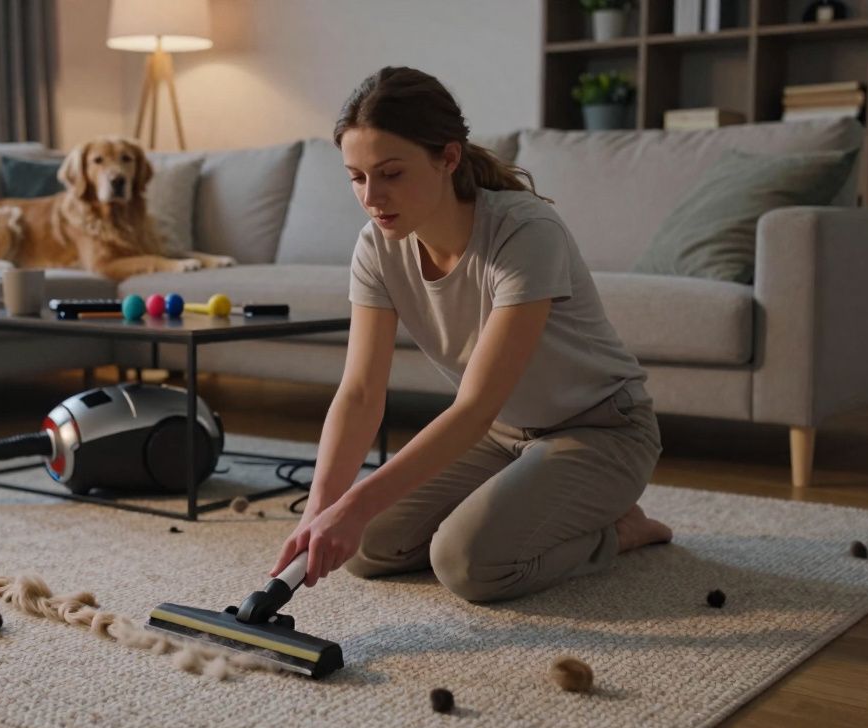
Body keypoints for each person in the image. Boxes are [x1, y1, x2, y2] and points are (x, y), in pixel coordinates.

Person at [269, 67, 672, 603]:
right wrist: (324, 505)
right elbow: (361, 392)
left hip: (601, 429)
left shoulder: (524, 232)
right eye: (357, 177)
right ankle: (530, 504)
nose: (372, 196)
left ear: (448, 158)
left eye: (391, 173)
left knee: (466, 564)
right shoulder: (377, 247)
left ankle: (620, 530)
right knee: (365, 548)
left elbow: (476, 404)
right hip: (503, 434)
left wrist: (356, 502)